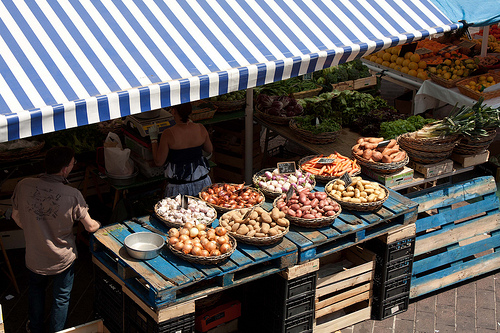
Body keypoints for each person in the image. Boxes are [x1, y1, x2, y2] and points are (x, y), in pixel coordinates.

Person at [11, 146, 101, 333]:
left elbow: (16, 216)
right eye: (72, 163)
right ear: (64, 170)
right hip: (62, 258)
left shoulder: (24, 185)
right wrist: (99, 223)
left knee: (36, 291)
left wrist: (34, 230)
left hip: (35, 256)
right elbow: (90, 226)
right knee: (61, 297)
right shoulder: (72, 195)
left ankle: (35, 328)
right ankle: (57, 330)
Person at [149, 103, 213, 197]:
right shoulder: (200, 128)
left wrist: (154, 140)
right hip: (202, 184)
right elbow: (209, 149)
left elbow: (159, 162)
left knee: (181, 211)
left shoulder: (168, 134)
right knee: (203, 210)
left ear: (173, 111)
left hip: (179, 189)